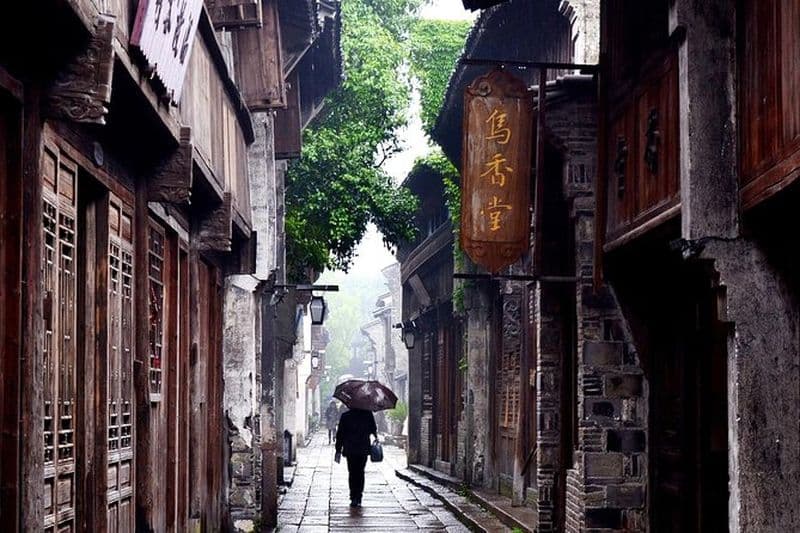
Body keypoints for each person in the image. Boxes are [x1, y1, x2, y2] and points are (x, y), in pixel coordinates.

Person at [334, 407, 377, 507]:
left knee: (352, 472)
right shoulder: (368, 415)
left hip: (350, 449)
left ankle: (353, 496)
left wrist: (338, 449)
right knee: (361, 472)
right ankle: (359, 496)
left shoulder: (345, 416)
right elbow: (373, 429)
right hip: (363, 449)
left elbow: (340, 434)